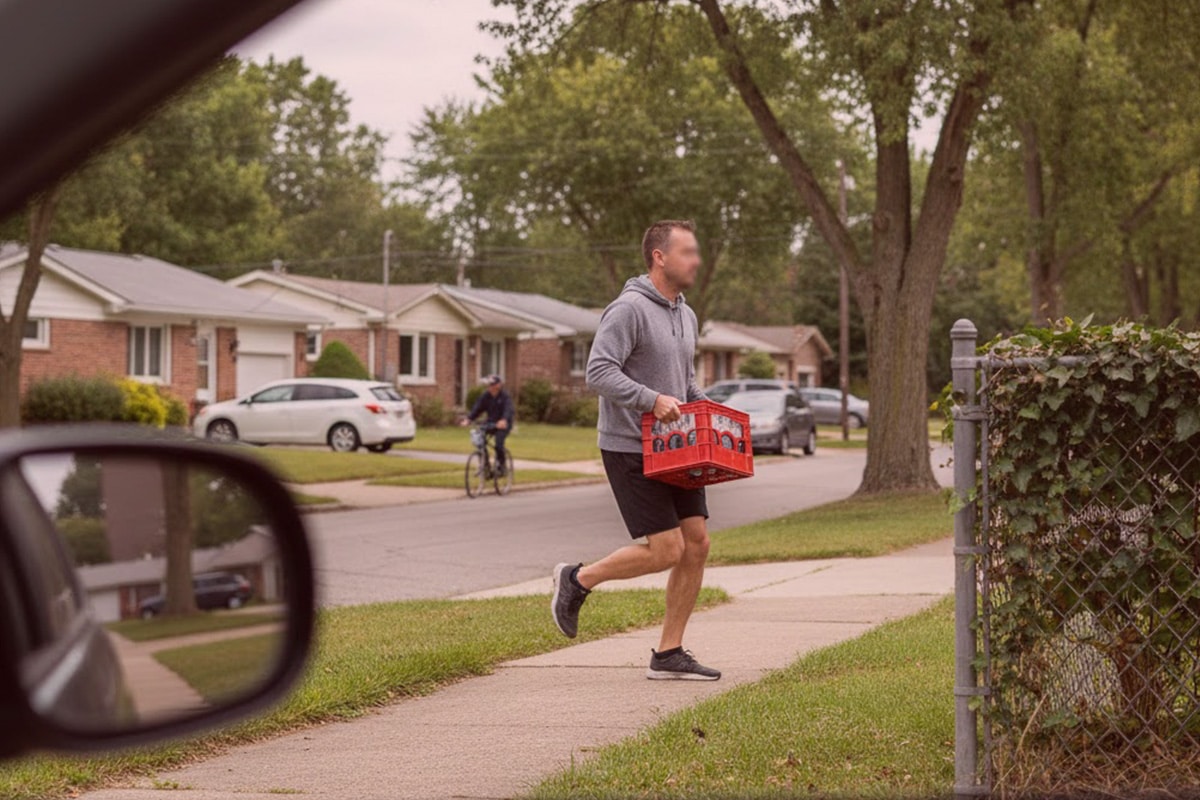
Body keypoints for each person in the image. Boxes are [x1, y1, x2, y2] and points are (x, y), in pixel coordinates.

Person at [551, 219, 719, 681]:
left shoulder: (686, 314)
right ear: (659, 257)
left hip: (676, 447)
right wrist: (651, 399)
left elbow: (682, 383)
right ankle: (577, 580)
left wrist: (705, 408)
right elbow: (598, 372)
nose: (696, 260)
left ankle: (669, 653)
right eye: (687, 251)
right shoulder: (627, 309)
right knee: (667, 549)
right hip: (630, 446)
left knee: (697, 544)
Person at [465, 375, 514, 473]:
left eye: (492, 385)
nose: (490, 387)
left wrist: (504, 420)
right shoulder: (486, 396)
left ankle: (502, 465)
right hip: (491, 422)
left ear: (498, 385)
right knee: (479, 441)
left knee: (498, 444)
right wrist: (469, 419)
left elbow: (508, 409)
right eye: (489, 385)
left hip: (503, 425)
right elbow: (478, 407)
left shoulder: (505, 396)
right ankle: (485, 465)